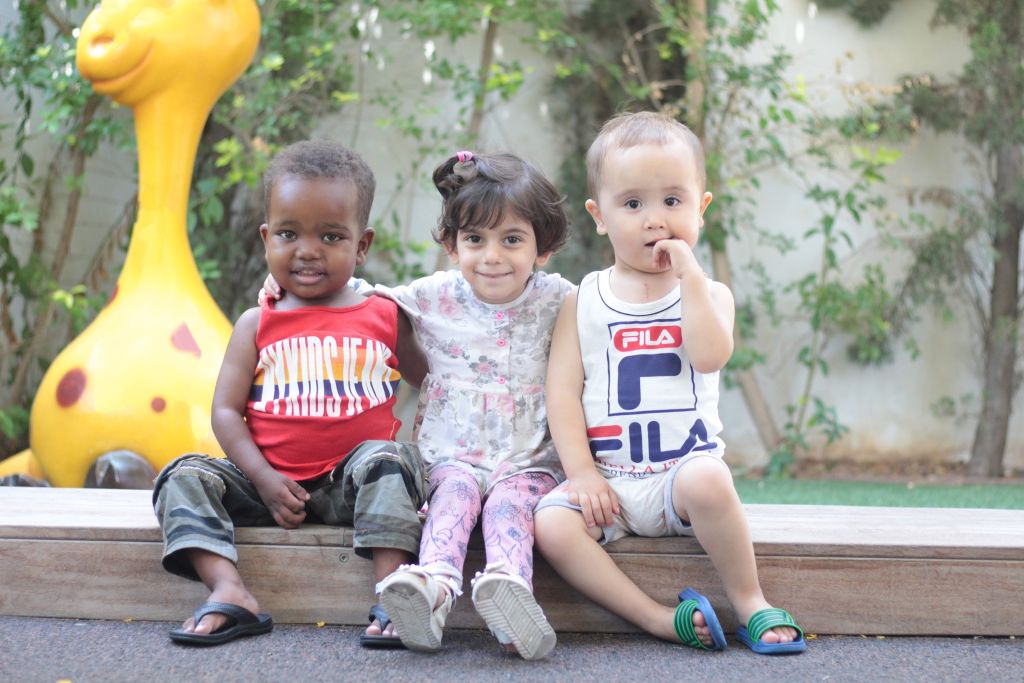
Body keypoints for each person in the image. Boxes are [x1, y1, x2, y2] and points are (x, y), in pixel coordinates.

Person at [266, 151, 573, 659]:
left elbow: (610, 309)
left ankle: (511, 591)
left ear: (543, 248)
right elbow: (359, 293)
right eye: (475, 239)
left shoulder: (560, 298)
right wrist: (283, 285)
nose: (492, 255)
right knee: (450, 500)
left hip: (530, 460)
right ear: (452, 246)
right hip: (450, 454)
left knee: (507, 506)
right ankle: (431, 590)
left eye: (512, 240)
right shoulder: (432, 295)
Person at [534, 111, 806, 655]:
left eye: (673, 201)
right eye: (633, 204)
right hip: (610, 482)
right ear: (600, 217)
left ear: (702, 209)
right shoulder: (582, 299)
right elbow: (562, 393)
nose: (655, 220)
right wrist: (583, 474)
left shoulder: (711, 294)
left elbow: (708, 356)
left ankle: (749, 600)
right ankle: (658, 618)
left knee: (710, 478)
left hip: (679, 479)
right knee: (550, 525)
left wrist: (691, 279)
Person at [152, 140, 429, 648]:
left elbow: (433, 382)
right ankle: (229, 590)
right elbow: (225, 411)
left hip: (353, 486)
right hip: (265, 484)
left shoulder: (385, 315)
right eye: (288, 233)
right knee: (182, 475)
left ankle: (395, 592)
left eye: (330, 235)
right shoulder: (257, 322)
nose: (307, 250)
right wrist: (261, 477)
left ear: (361, 245)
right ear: (266, 239)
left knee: (391, 459)